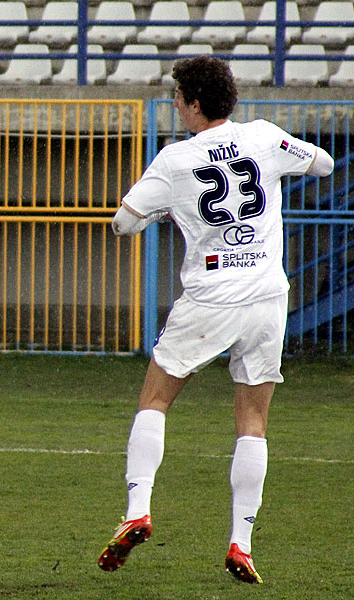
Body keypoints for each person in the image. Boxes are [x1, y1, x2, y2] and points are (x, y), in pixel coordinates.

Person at [99, 56, 335, 584]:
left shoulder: (175, 159)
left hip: (210, 297)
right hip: (268, 297)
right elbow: (323, 164)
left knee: (155, 399)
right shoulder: (263, 137)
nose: (175, 105)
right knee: (253, 423)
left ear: (195, 103)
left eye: (179, 97)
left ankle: (138, 509)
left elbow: (122, 225)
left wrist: (165, 210)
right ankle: (241, 544)